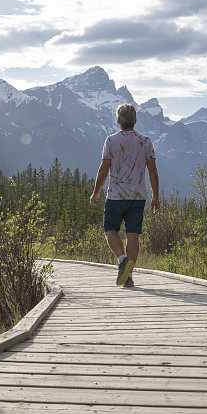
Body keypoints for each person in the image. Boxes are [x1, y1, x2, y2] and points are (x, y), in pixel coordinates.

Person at [89, 103, 160, 287]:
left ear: (118, 120)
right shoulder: (146, 141)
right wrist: (156, 196)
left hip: (116, 196)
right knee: (133, 234)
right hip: (138, 197)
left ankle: (122, 261)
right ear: (135, 121)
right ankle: (128, 277)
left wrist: (96, 191)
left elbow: (104, 168)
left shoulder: (111, 141)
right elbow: (152, 170)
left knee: (110, 229)